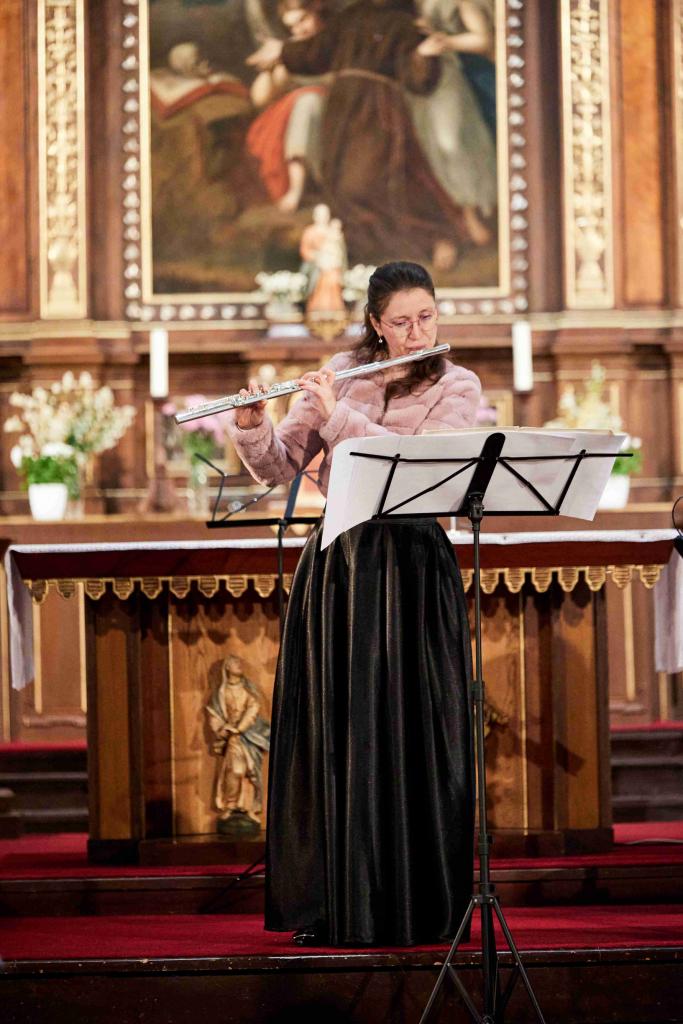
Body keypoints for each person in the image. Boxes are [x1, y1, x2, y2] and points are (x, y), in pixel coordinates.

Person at [225, 260, 480, 947]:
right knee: (338, 726)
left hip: (412, 568)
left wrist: (338, 414)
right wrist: (252, 426)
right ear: (375, 324)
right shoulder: (341, 372)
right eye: (401, 321)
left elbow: (424, 462)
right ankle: (336, 902)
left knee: (411, 727)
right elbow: (279, 466)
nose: (415, 332)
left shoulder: (456, 385)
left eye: (425, 317)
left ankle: (416, 903)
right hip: (341, 563)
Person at [247, 0, 468, 270]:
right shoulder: (349, 17)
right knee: (340, 187)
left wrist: (421, 55)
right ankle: (363, 252)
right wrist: (283, 51)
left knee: (366, 182)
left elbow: (417, 80)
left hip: (377, 110)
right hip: (342, 111)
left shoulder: (403, 23)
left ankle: (434, 239)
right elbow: (317, 52)